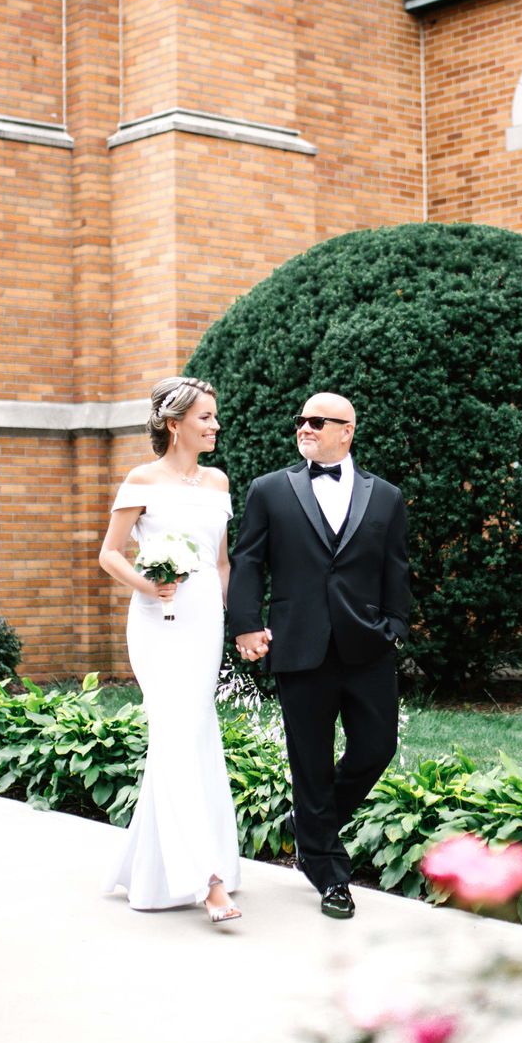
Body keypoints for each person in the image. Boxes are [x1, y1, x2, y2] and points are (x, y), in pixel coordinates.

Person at [227, 391, 411, 919]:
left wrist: (394, 628)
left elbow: (394, 568)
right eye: (300, 421)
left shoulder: (386, 497)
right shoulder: (270, 490)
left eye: (317, 421)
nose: (304, 427)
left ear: (346, 431)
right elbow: (249, 561)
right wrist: (245, 625)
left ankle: (310, 827)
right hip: (299, 645)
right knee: (309, 762)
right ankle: (329, 873)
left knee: (376, 747)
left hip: (367, 646)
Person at [99, 376, 242, 924]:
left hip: (205, 621)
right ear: (174, 423)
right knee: (176, 734)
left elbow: (221, 560)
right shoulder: (141, 479)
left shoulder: (217, 481)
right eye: (205, 417)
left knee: (194, 733)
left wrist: (227, 619)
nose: (215, 425)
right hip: (157, 621)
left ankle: (151, 868)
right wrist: (147, 585)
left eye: (215, 415)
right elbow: (110, 554)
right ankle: (208, 879)